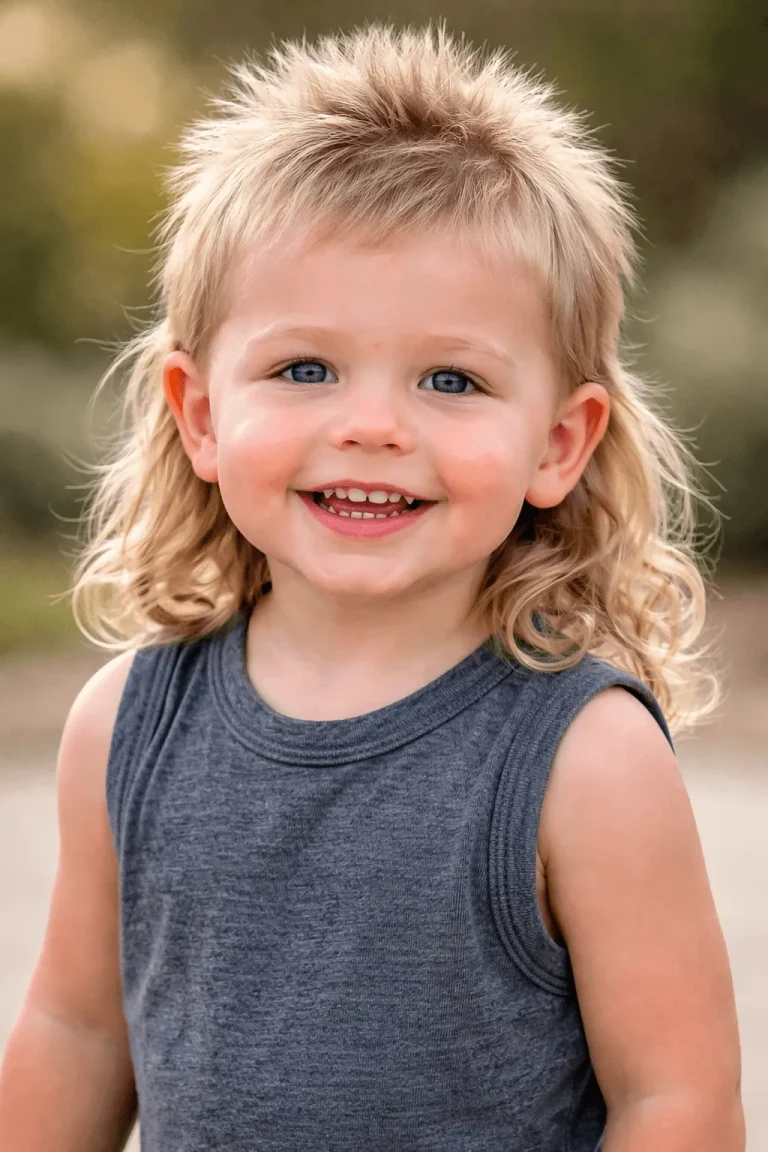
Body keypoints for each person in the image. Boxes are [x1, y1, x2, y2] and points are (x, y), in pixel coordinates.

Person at [0, 23, 744, 1152]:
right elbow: (75, 1033)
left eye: (451, 379)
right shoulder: (124, 731)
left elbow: (678, 1101)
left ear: (560, 441)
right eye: (306, 369)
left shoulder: (585, 761)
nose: (372, 426)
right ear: (200, 415)